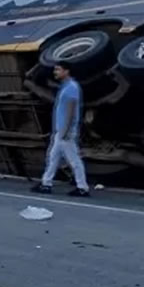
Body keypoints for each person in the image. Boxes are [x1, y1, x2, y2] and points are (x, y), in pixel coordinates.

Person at [32, 62, 90, 197]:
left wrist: (65, 131)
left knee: (73, 159)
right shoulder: (67, 87)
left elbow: (70, 111)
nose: (55, 72)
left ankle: (82, 187)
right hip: (61, 130)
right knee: (53, 157)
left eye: (58, 70)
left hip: (66, 131)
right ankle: (46, 183)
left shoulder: (71, 88)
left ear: (67, 71)